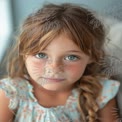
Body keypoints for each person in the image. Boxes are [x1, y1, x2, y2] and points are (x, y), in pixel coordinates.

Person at [0, 3, 120, 122]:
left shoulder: (101, 92)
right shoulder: (12, 93)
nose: (54, 68)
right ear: (24, 53)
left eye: (71, 57)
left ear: (93, 56)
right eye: (41, 55)